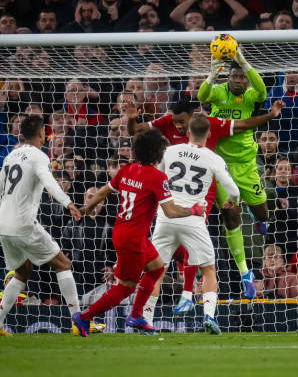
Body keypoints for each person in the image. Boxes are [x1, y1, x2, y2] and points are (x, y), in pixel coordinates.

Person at [128, 96, 285, 309]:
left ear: (196, 117)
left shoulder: (211, 124)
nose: (178, 126)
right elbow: (135, 130)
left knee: (233, 216)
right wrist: (130, 119)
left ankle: (244, 273)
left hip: (205, 187)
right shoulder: (166, 122)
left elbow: (243, 124)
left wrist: (271, 115)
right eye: (175, 122)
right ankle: (184, 297)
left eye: (182, 122)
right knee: (184, 245)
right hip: (177, 193)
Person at [72, 129, 206, 336]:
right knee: (124, 288)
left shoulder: (127, 170)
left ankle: (136, 315)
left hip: (126, 232)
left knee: (157, 269)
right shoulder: (157, 177)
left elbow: (104, 191)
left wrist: (88, 208)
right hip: (132, 239)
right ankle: (84, 317)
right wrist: (194, 210)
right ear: (157, 152)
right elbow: (170, 212)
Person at [0, 115, 84, 337]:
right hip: (23, 223)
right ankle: (79, 322)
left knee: (22, 272)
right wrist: (68, 202)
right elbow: (50, 182)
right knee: (63, 263)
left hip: (4, 226)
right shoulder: (39, 156)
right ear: (42, 134)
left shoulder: (11, 156)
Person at [142, 115, 240, 334]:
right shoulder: (213, 158)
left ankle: (146, 321)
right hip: (194, 220)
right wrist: (231, 200)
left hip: (166, 218)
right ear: (210, 134)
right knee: (209, 269)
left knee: (156, 271)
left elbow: (155, 177)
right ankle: (208, 316)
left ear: (187, 132)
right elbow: (233, 190)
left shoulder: (169, 151)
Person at [197, 49, 270, 300]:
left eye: (242, 77)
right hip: (221, 164)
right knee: (230, 214)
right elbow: (202, 94)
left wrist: (244, 61)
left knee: (262, 215)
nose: (238, 80)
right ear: (228, 79)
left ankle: (257, 213)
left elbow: (262, 92)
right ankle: (245, 272)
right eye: (234, 77)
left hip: (247, 163)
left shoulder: (251, 96)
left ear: (246, 80)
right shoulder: (219, 92)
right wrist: (212, 74)